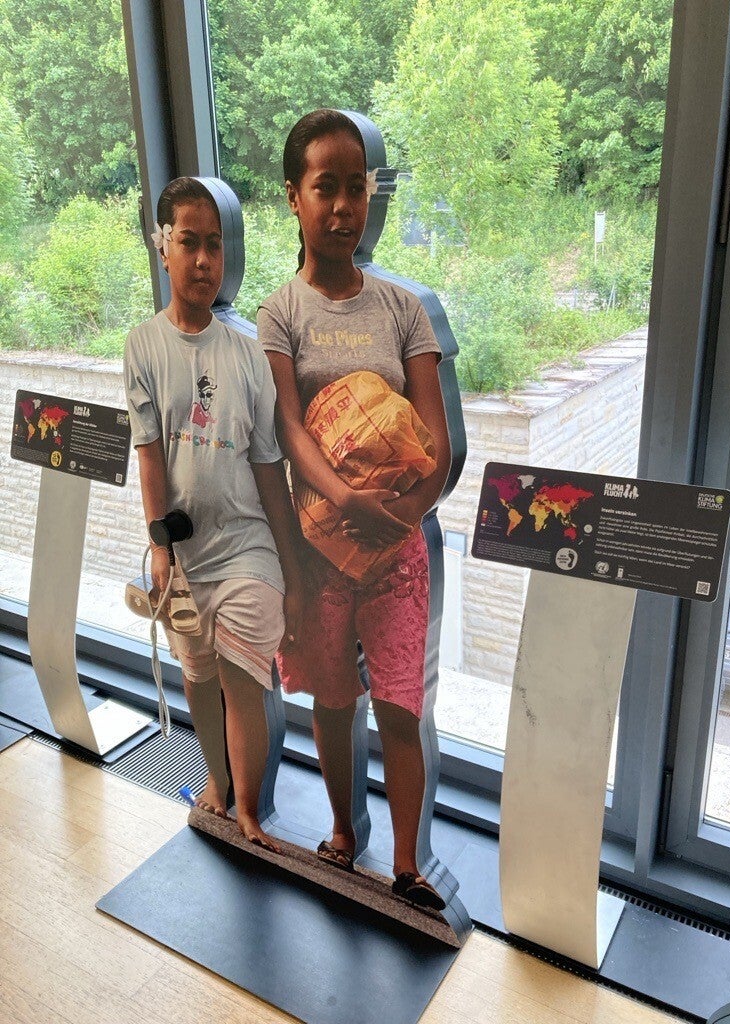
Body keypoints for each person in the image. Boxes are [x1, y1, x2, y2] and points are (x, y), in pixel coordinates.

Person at [258, 110, 451, 909]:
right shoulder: (280, 315)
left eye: (356, 189)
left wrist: (403, 513)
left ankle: (406, 866)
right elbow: (287, 428)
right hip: (321, 555)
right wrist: (343, 500)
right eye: (324, 188)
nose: (343, 208)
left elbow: (436, 438)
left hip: (398, 551)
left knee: (401, 705)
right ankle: (344, 832)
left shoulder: (404, 308)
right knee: (335, 704)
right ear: (293, 197)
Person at [124, 176, 302, 853]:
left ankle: (248, 811)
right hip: (184, 551)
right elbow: (150, 454)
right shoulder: (142, 346)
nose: (203, 261)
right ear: (162, 247)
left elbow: (268, 466)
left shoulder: (249, 352)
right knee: (198, 676)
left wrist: (290, 564)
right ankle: (218, 789)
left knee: (242, 678)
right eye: (189, 243)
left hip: (247, 544)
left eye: (215, 246)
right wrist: (160, 547)